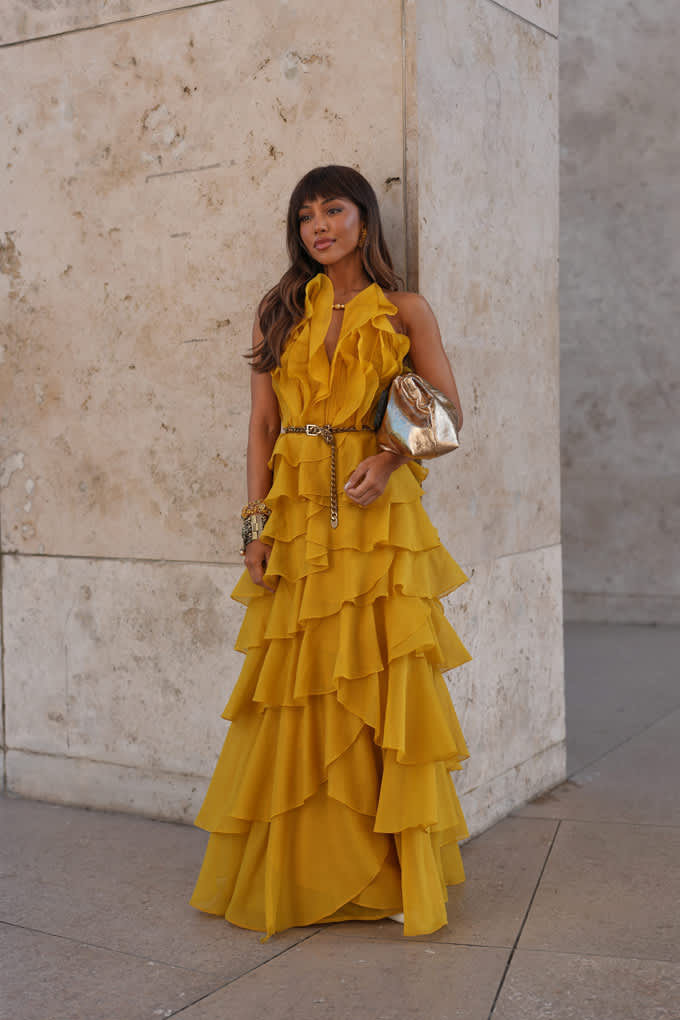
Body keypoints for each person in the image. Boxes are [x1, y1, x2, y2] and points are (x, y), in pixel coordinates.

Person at [190, 165, 471, 940]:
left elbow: (445, 413)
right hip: (297, 510)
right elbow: (258, 428)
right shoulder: (278, 311)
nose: (320, 226)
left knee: (381, 677)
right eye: (307, 215)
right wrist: (255, 528)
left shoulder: (405, 309)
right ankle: (311, 862)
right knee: (301, 681)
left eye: (334, 210)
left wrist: (387, 460)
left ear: (363, 219)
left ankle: (387, 872)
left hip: (376, 513)